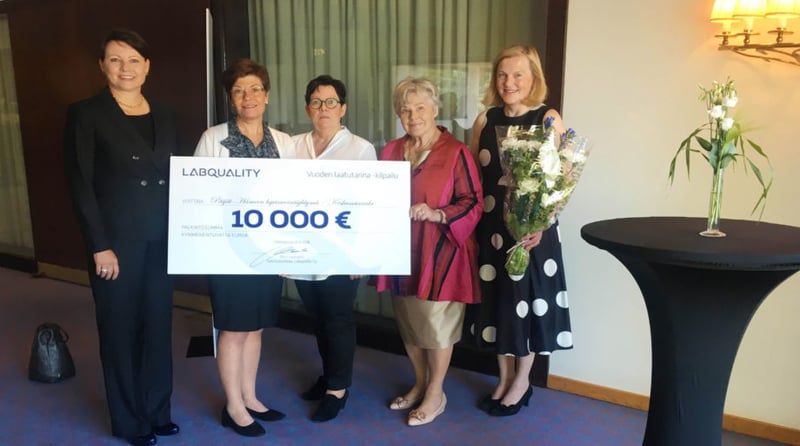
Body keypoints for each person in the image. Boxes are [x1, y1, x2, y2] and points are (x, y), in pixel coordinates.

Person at [63, 29, 180, 446]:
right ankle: (130, 422)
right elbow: (80, 184)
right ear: (102, 66)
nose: (125, 68)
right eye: (115, 59)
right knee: (119, 330)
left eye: (133, 60)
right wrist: (99, 245)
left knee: (158, 327)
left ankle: (158, 411)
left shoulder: (166, 114)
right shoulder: (86, 113)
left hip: (162, 240)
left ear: (147, 66)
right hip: (116, 244)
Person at [465, 45, 573, 417]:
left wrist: (542, 222)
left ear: (533, 79)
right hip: (492, 228)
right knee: (497, 302)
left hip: (532, 232)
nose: (508, 82)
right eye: (502, 75)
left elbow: (563, 179)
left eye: (517, 75)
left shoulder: (548, 118)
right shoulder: (485, 119)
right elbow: (474, 176)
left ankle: (522, 381)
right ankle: (503, 377)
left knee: (523, 304)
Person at [375, 78, 483, 427]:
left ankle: (436, 393)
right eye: (405, 110)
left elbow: (473, 202)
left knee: (436, 326)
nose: (413, 116)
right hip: (400, 251)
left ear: (435, 110)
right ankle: (420, 383)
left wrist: (438, 214)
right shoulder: (391, 151)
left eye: (420, 107)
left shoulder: (456, 152)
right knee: (410, 323)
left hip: (440, 253)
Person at [193, 58, 291, 437]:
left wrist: (288, 249)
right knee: (233, 330)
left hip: (267, 250)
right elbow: (197, 195)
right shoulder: (213, 138)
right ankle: (233, 406)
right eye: (238, 91)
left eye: (254, 89)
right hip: (226, 251)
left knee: (256, 328)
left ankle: (250, 396)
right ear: (230, 99)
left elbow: (293, 199)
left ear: (266, 95)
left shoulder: (283, 142)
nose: (247, 97)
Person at [288, 75, 377, 422]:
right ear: (307, 109)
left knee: (338, 318)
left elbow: (369, 205)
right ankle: (328, 376)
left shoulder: (360, 149)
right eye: (316, 102)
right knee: (318, 316)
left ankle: (338, 389)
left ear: (343, 108)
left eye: (330, 102)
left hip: (342, 251)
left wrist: (361, 255)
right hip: (302, 249)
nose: (323, 108)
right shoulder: (293, 146)